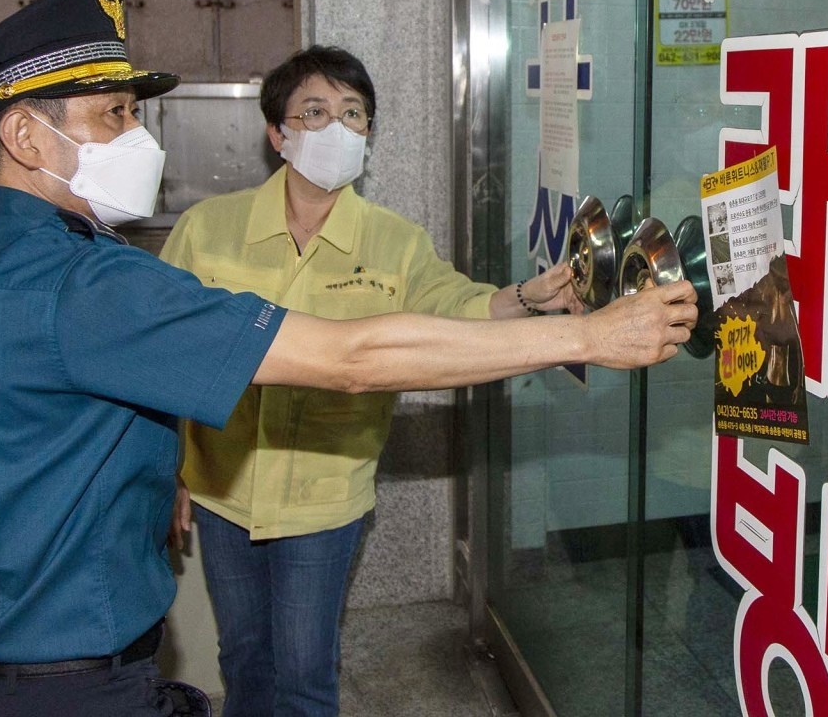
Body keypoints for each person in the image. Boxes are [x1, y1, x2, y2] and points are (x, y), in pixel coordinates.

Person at [0, 0, 697, 717]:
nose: (139, 134)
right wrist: (587, 336)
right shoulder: (96, 284)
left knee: (300, 672)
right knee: (250, 659)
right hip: (74, 685)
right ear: (24, 134)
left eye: (135, 111)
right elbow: (349, 360)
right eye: (115, 114)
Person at [159, 45, 582, 717]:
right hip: (223, 488)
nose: (337, 128)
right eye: (316, 112)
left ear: (369, 134)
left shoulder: (395, 241)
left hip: (322, 497)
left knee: (303, 671)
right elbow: (166, 360)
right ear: (279, 134)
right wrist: (172, 472)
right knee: (243, 658)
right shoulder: (208, 229)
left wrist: (525, 298)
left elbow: (455, 303)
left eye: (354, 115)